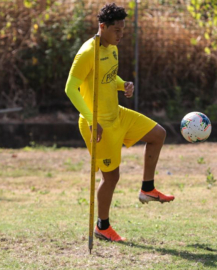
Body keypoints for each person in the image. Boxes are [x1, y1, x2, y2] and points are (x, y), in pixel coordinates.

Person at [64, 3, 175, 242]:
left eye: (123, 30)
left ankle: (147, 189)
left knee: (158, 134)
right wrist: (93, 120)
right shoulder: (86, 52)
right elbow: (70, 88)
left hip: (117, 114)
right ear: (102, 27)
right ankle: (102, 226)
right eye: (117, 30)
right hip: (97, 124)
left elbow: (107, 76)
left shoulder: (112, 47)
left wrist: (122, 84)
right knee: (111, 177)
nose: (121, 35)